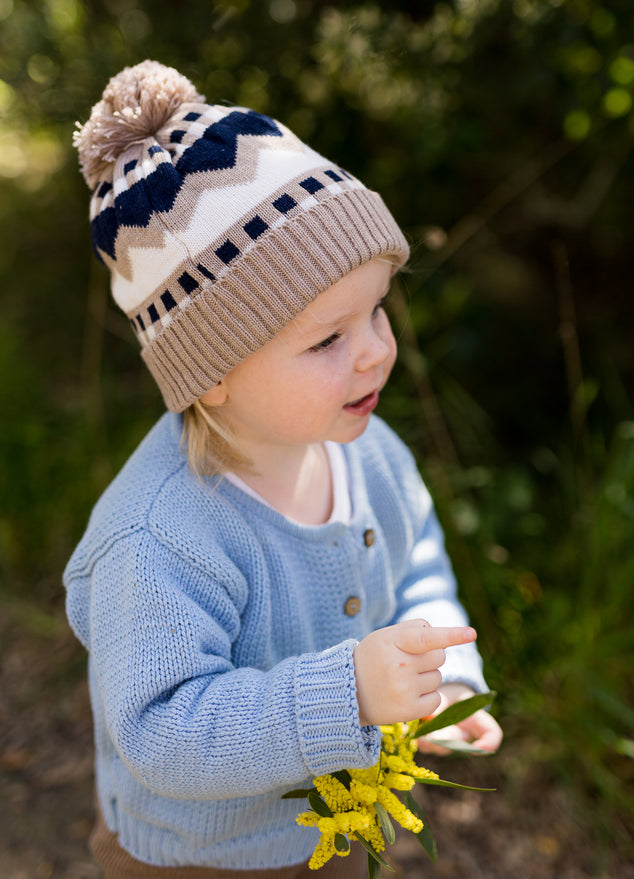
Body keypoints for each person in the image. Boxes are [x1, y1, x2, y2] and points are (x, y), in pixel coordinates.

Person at [64, 60, 502, 879]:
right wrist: (351, 694)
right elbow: (162, 728)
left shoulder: (369, 451)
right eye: (327, 339)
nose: (375, 350)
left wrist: (438, 676)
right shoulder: (160, 535)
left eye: (377, 308)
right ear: (213, 370)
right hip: (192, 856)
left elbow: (416, 563)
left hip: (331, 828)